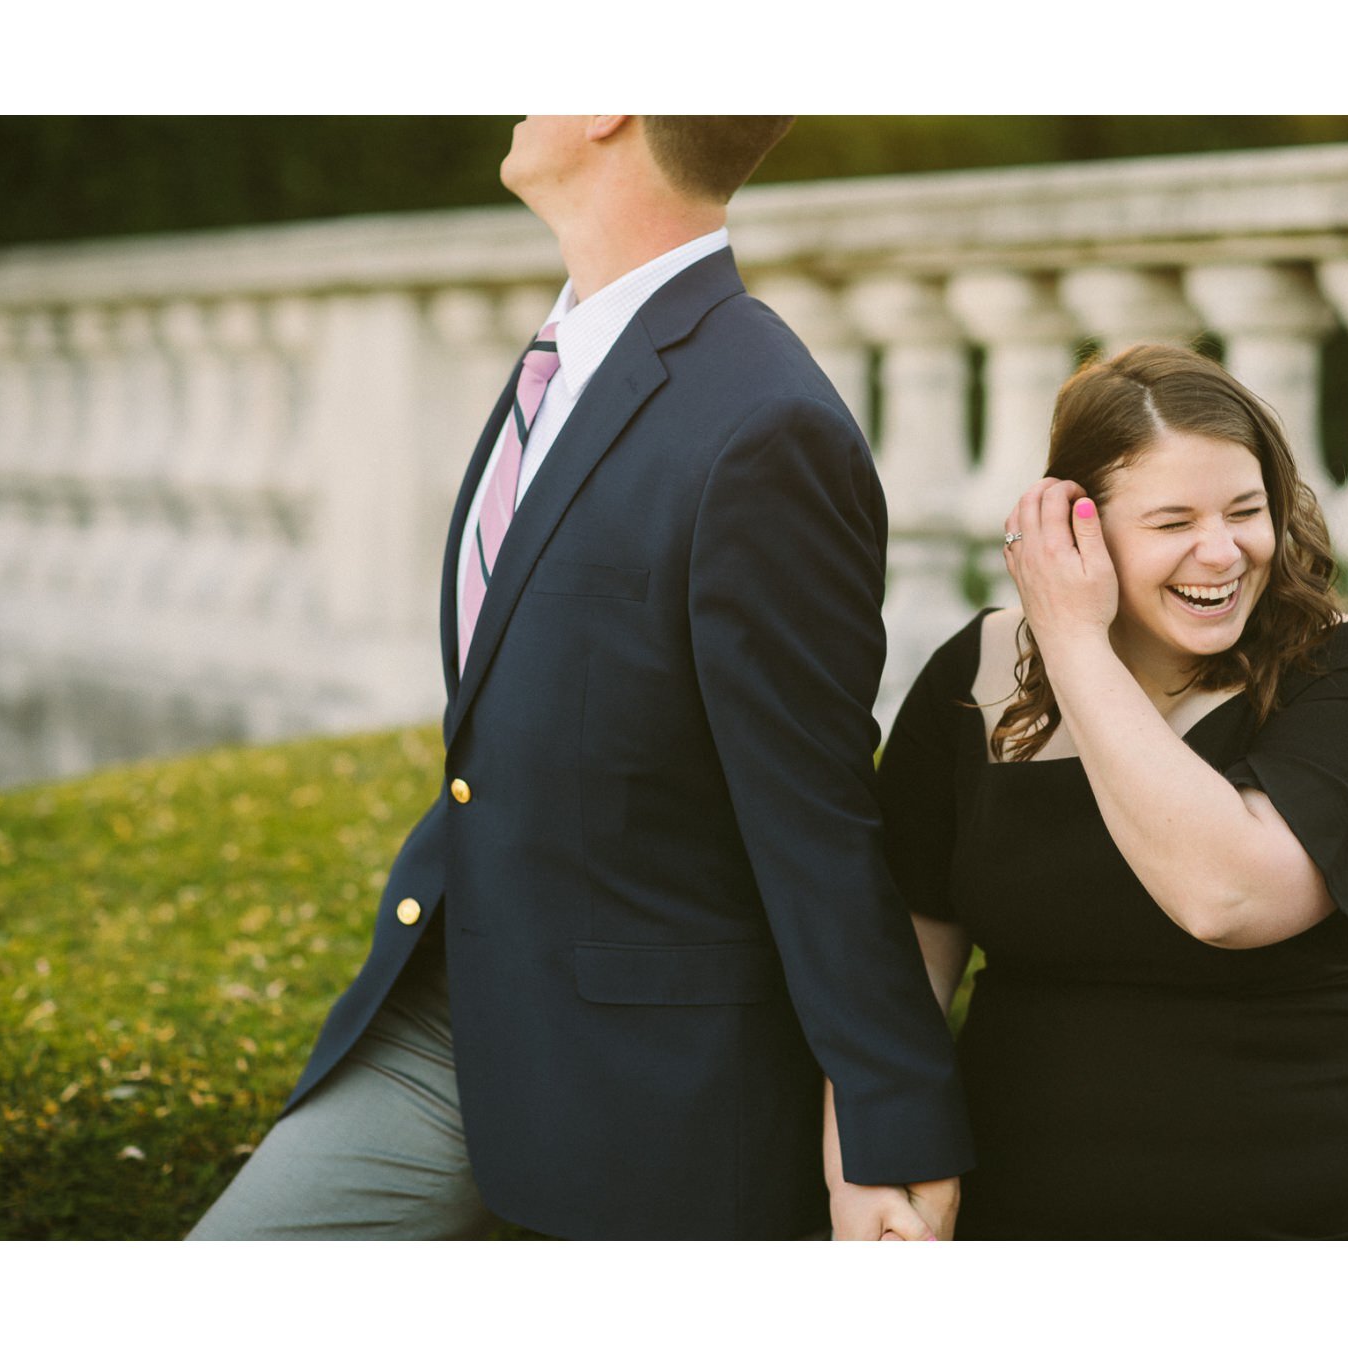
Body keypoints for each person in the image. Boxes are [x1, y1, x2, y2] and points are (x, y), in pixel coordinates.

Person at [190, 116, 971, 1241]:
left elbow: (815, 815)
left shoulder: (767, 425)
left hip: (637, 1081)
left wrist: (888, 1126)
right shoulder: (566, 356)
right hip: (446, 1015)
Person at [876, 343, 1348, 1239]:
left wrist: (1076, 644)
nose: (1223, 551)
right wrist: (878, 1161)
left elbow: (1227, 896)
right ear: (1079, 529)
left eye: (1247, 510)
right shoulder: (972, 674)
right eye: (1173, 522)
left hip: (1286, 1209)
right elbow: (899, 958)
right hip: (1015, 1204)